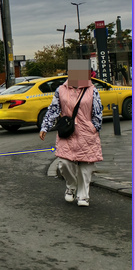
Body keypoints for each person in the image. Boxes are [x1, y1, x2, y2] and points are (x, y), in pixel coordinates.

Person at [39, 60, 102, 207]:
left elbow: (97, 112)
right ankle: (71, 186)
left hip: (87, 133)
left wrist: (94, 128)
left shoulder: (93, 90)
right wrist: (45, 127)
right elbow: (53, 109)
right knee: (64, 163)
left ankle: (83, 196)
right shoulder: (61, 90)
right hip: (67, 131)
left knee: (86, 166)